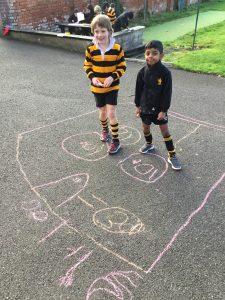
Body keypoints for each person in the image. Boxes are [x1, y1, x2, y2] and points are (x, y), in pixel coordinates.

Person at [134, 40, 182, 170]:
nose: (150, 56)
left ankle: (172, 155)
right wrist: (138, 105)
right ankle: (149, 144)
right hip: (145, 107)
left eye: (154, 53)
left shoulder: (165, 73)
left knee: (165, 131)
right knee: (145, 128)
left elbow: (167, 93)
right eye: (147, 53)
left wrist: (164, 110)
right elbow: (138, 90)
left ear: (161, 55)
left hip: (159, 109)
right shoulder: (142, 72)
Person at [83, 14, 126, 154]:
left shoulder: (117, 48)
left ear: (109, 31)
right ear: (93, 32)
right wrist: (93, 78)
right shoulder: (90, 49)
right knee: (102, 112)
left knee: (111, 113)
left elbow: (122, 66)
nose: (100, 34)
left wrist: (113, 77)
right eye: (96, 31)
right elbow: (87, 66)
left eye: (103, 31)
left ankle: (116, 141)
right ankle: (104, 130)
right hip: (97, 88)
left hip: (112, 87)